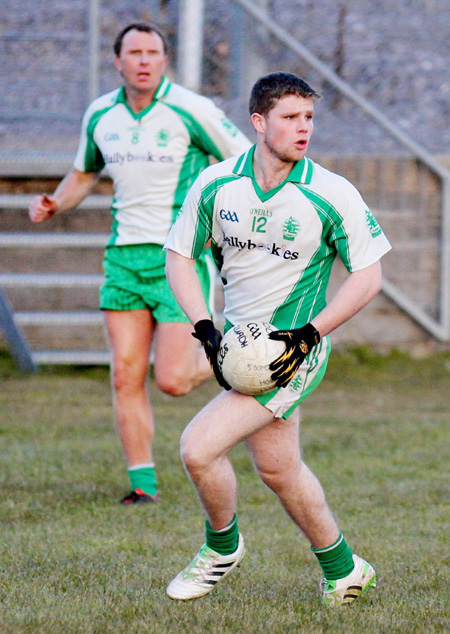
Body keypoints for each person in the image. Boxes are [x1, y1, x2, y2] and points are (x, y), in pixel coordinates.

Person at [163, 72, 391, 605]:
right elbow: (179, 255)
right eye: (290, 117)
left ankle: (221, 548)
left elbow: (368, 277)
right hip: (238, 345)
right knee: (279, 469)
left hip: (294, 355)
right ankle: (344, 569)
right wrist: (204, 329)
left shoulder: (331, 192)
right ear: (259, 122)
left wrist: (309, 334)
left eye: (309, 117)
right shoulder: (217, 183)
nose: (303, 128)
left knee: (197, 449)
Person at [28, 22, 251, 505]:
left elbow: (245, 159)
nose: (144, 60)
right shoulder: (100, 114)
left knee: (171, 379)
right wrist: (55, 203)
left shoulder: (192, 110)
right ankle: (142, 484)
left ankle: (244, 355)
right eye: (135, 52)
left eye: (153, 52)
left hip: (180, 259)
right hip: (122, 260)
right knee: (125, 375)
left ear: (165, 60)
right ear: (118, 61)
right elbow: (85, 171)